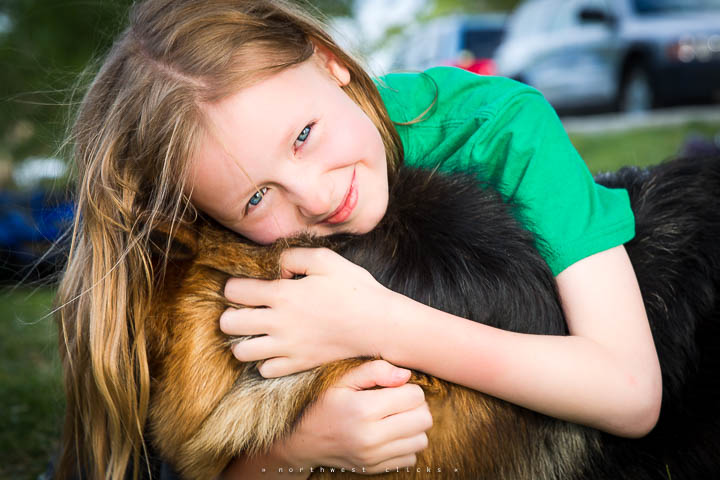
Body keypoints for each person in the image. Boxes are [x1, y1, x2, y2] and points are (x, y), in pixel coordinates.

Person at [55, 0, 662, 479]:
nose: (316, 199)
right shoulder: (216, 206)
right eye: (258, 197)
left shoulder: (503, 126)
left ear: (329, 61)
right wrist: (298, 447)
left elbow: (631, 395)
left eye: (304, 136)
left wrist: (377, 322)